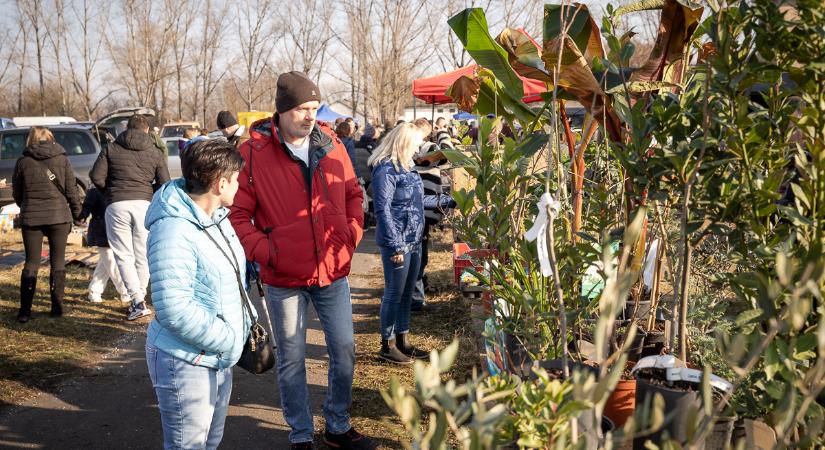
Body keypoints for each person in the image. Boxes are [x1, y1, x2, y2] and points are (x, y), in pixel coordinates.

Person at [229, 71, 375, 450]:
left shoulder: (332, 144)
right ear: (281, 111)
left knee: (343, 350)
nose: (310, 116)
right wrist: (267, 253)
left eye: (314, 107)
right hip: (283, 279)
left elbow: (353, 194)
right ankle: (300, 433)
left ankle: (337, 425)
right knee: (292, 360)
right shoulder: (252, 153)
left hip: (333, 271)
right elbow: (237, 216)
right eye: (301, 109)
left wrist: (351, 236)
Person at [145, 139, 255, 450]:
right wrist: (229, 338)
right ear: (221, 183)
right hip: (185, 358)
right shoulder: (174, 230)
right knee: (188, 445)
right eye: (236, 179)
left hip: (216, 353)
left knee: (209, 442)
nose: (240, 184)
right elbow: (173, 308)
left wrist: (244, 324)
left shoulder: (217, 218)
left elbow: (232, 278)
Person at [90, 114, 170, 321]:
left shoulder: (111, 148)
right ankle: (140, 297)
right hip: (144, 204)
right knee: (142, 253)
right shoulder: (154, 152)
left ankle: (136, 300)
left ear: (126, 128)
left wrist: (110, 192)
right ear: (146, 130)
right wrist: (148, 192)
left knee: (123, 255)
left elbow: (96, 177)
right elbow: (165, 182)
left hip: (116, 204)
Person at [368, 123, 433, 364]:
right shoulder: (386, 170)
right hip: (398, 242)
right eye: (416, 143)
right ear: (405, 142)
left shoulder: (408, 168)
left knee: (407, 293)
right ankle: (387, 344)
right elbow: (382, 210)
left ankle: (403, 339)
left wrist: (451, 201)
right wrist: (395, 245)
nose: (418, 148)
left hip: (414, 239)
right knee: (394, 293)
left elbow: (418, 200)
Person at [12, 127, 82, 322]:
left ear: (31, 140)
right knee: (58, 262)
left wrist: (25, 205)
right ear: (52, 139)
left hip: (31, 218)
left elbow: (17, 193)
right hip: (59, 217)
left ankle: (25, 311)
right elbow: (71, 191)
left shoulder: (23, 162)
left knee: (31, 262)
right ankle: (57, 308)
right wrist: (78, 214)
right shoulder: (62, 159)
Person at [411, 119, 456, 312]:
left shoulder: (406, 147)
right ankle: (415, 299)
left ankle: (418, 290)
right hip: (423, 206)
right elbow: (449, 153)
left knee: (417, 251)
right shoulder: (426, 147)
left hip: (414, 207)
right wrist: (443, 132)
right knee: (419, 255)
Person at [76, 187, 129, 303]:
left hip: (117, 229)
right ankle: (126, 292)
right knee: (110, 261)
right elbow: (85, 209)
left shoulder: (117, 188)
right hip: (101, 231)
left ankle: (94, 291)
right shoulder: (95, 192)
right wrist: (79, 216)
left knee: (105, 263)